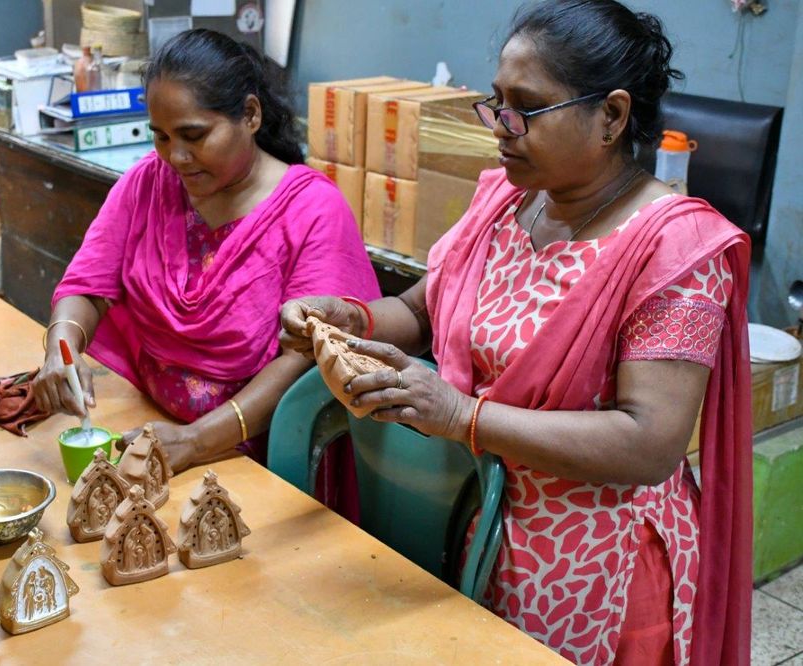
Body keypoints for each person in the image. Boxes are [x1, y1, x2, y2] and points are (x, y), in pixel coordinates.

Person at [280, 2, 752, 664]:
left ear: (611, 117)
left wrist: (463, 415)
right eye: (495, 105)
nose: (500, 129)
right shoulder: (507, 200)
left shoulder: (674, 250)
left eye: (525, 109)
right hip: (472, 521)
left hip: (592, 565)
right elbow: (422, 310)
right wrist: (351, 317)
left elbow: (647, 444)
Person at [33, 29, 379, 474]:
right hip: (156, 424)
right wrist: (61, 348)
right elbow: (87, 283)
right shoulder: (148, 183)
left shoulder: (311, 210)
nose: (175, 157)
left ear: (250, 115)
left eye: (193, 136)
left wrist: (195, 442)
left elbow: (305, 360)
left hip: (266, 450)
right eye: (160, 136)